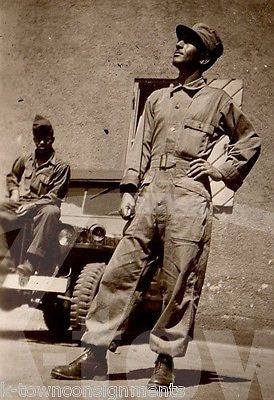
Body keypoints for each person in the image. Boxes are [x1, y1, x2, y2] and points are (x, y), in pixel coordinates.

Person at [51, 23, 261, 387]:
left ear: (206, 57)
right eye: (181, 39)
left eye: (190, 42)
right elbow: (140, 147)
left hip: (189, 195)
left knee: (180, 280)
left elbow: (249, 141)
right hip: (150, 193)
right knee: (118, 272)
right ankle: (95, 355)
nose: (179, 44)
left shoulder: (218, 101)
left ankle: (164, 360)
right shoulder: (156, 100)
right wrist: (130, 189)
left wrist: (218, 168)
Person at [0, 115, 70, 285]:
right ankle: (4, 260)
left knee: (52, 211)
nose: (42, 143)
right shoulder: (27, 159)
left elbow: (55, 196)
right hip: (24, 202)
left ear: (52, 139)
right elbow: (11, 176)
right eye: (39, 139)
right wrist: (14, 191)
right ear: (34, 139)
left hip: (44, 205)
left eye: (46, 139)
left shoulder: (61, 165)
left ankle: (30, 263)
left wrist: (33, 205)